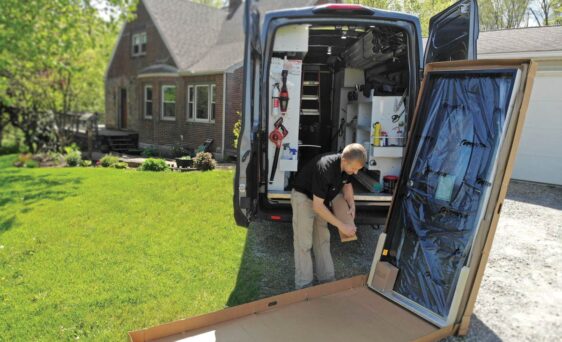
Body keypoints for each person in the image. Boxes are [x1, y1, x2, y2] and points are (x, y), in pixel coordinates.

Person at [290, 143, 367, 289]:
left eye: (358, 169)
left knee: (323, 240)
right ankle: (304, 286)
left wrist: (352, 204)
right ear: (344, 160)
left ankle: (327, 281)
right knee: (304, 243)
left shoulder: (347, 167)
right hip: (304, 197)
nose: (356, 172)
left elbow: (347, 185)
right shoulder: (326, 168)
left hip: (320, 199)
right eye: (354, 168)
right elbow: (317, 206)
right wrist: (342, 225)